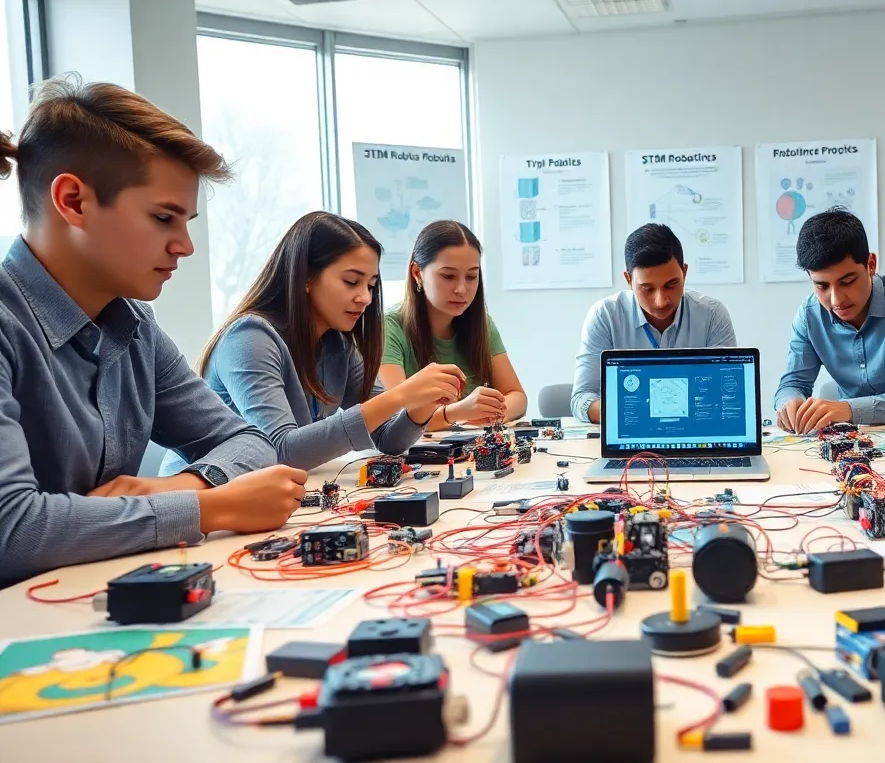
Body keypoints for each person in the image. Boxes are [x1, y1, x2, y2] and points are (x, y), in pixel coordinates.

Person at [0, 78, 307, 584]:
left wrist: (182, 485)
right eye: (164, 218)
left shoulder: (136, 325)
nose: (184, 246)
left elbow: (249, 441)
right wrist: (210, 508)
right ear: (73, 201)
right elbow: (14, 531)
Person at [161, 212, 466, 473]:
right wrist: (399, 395)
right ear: (306, 277)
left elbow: (388, 439)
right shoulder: (249, 338)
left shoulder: (338, 345)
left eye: (371, 285)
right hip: (202, 502)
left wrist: (420, 404)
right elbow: (280, 452)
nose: (365, 297)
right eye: (351, 282)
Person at [775, 209, 885, 433]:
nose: (836, 300)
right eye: (822, 286)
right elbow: (792, 385)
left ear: (871, 264)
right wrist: (789, 406)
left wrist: (847, 409)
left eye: (847, 281)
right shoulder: (809, 315)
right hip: (857, 436)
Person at [570, 223, 737, 422]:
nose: (661, 301)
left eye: (671, 285)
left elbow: (727, 394)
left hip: (694, 430)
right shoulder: (605, 316)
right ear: (628, 279)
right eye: (647, 289)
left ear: (684, 272)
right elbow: (582, 399)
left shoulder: (712, 315)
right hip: (631, 431)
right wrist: (635, 410)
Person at [380, 220, 526, 429]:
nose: (461, 289)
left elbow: (517, 396)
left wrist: (492, 412)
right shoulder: (389, 328)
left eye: (471, 276)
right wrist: (460, 412)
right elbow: (395, 416)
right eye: (448, 276)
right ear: (417, 273)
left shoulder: (483, 323)